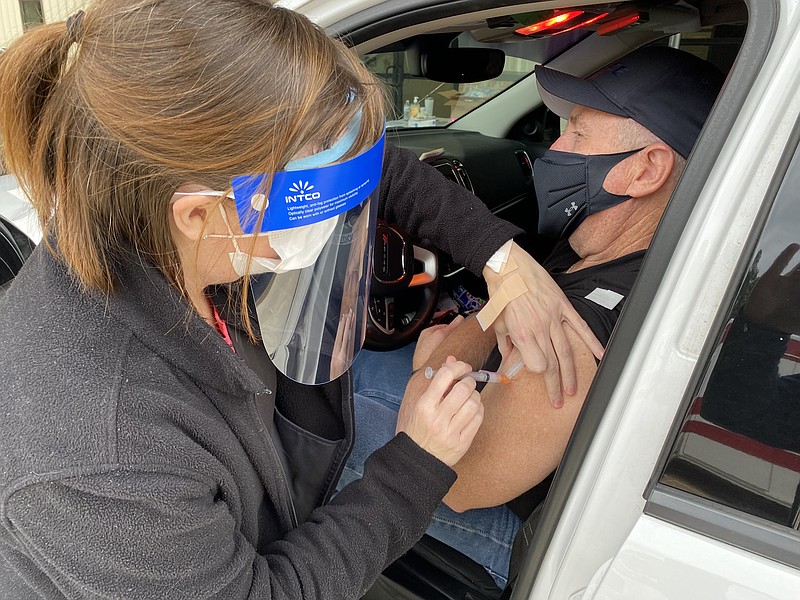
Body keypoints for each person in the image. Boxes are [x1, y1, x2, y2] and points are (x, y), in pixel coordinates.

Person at [0, 3, 490, 598]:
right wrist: (415, 463)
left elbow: (364, 164)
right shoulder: (105, 456)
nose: (334, 222)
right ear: (198, 212)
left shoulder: (174, 233)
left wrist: (502, 257)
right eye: (316, 206)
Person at [340, 46, 726, 588]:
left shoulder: (592, 323)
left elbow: (460, 484)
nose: (555, 147)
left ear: (646, 169)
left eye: (578, 134)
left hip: (513, 521)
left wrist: (434, 364)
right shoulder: (601, 245)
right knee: (340, 369)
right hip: (480, 404)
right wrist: (482, 331)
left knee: (320, 423)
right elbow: (503, 314)